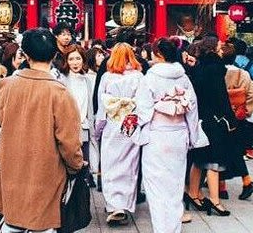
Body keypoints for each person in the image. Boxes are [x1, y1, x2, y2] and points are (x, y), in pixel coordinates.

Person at [0, 28, 84, 233]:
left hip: (11, 172)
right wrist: (76, 165)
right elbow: (69, 143)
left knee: (11, 224)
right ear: (54, 54)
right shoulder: (60, 93)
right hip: (46, 177)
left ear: (25, 54)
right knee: (43, 226)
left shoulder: (7, 86)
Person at [135, 38, 200, 232]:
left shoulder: (150, 78)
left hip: (157, 135)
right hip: (179, 134)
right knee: (175, 184)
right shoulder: (183, 77)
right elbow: (192, 108)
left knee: (156, 186)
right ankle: (173, 228)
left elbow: (144, 111)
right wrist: (193, 135)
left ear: (159, 55)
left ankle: (161, 228)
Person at [95, 42, 143, 226]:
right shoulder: (139, 77)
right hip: (130, 123)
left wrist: (98, 129)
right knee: (129, 166)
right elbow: (144, 103)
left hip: (112, 124)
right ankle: (124, 204)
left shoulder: (107, 77)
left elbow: (102, 108)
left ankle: (113, 205)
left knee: (110, 165)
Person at [186, 36, 235, 216]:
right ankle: (215, 200)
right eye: (220, 47)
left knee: (199, 158)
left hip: (200, 118)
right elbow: (221, 97)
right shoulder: (215, 69)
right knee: (214, 160)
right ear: (213, 49)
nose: (222, 49)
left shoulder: (199, 67)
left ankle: (193, 194)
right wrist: (230, 118)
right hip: (214, 118)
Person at [218, 42, 253, 200]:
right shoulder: (243, 73)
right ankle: (246, 181)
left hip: (221, 117)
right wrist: (245, 110)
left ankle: (222, 187)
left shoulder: (218, 73)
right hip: (237, 117)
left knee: (220, 150)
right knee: (234, 149)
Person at [62, 44, 96, 185]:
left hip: (84, 129)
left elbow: (91, 108)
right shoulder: (62, 80)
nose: (75, 62)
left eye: (78, 58)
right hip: (67, 130)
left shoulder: (88, 80)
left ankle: (82, 204)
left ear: (83, 60)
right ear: (66, 61)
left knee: (83, 171)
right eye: (71, 59)